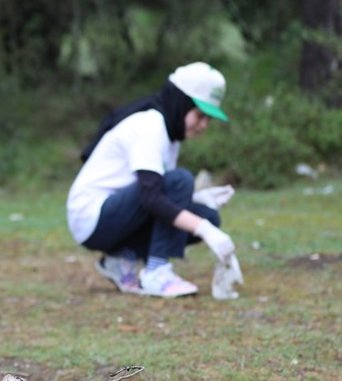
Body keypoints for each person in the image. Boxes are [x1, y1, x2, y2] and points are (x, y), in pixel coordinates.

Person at [66, 62, 237, 298]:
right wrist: (205, 230)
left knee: (208, 214)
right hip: (92, 217)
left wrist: (199, 200)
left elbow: (158, 194)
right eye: (199, 115)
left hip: (118, 212)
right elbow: (153, 197)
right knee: (181, 182)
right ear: (181, 102)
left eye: (208, 119)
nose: (203, 126)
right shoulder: (150, 127)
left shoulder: (170, 137)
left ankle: (121, 259)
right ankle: (157, 272)